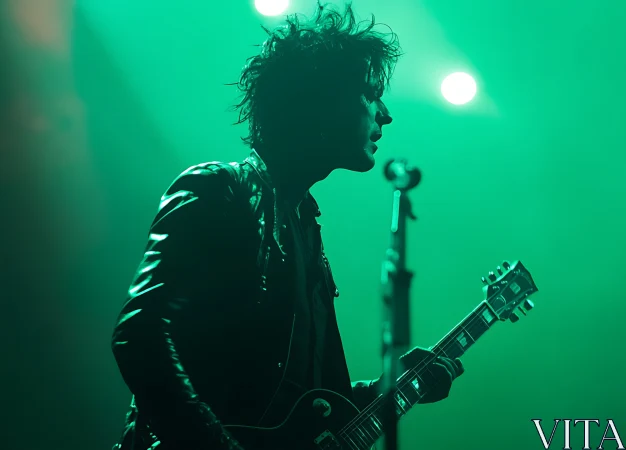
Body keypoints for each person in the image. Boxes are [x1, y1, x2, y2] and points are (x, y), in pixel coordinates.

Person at [110, 4, 464, 450]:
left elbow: (305, 402)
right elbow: (140, 334)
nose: (386, 114)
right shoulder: (219, 191)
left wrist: (383, 391)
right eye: (372, 94)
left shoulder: (307, 233)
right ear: (323, 99)